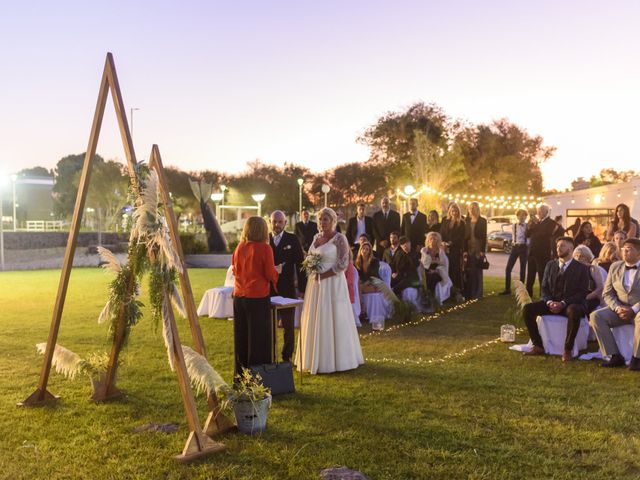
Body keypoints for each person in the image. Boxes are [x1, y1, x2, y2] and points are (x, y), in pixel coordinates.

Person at [295, 207, 364, 374]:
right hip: (315, 285)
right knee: (315, 316)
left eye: (325, 219)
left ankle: (337, 359)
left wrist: (323, 275)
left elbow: (343, 263)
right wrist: (311, 269)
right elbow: (310, 257)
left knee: (333, 317)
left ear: (333, 221)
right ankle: (313, 357)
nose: (322, 222)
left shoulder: (339, 239)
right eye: (320, 219)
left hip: (333, 284)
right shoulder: (315, 237)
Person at [522, 237, 590, 362]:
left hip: (571, 304)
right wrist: (549, 302)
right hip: (551, 303)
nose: (558, 248)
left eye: (562, 246)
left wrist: (563, 303)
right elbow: (544, 287)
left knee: (574, 311)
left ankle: (568, 349)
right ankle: (538, 346)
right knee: (527, 309)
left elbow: (582, 293)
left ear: (570, 249)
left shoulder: (582, 268)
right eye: (557, 246)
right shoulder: (550, 265)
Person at [232, 216, 281, 375]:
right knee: (258, 340)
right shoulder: (265, 248)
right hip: (257, 297)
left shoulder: (239, 247)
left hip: (239, 297)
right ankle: (257, 378)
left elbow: (235, 270)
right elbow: (269, 274)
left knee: (242, 338)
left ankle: (241, 377)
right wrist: (277, 271)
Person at [589, 238, 640, 369]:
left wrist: (633, 310)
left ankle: (637, 359)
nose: (624, 252)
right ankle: (614, 356)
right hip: (620, 309)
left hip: (637, 310)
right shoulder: (615, 267)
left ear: (639, 253)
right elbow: (607, 293)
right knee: (596, 316)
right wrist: (617, 308)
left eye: (629, 249)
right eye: (623, 249)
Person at [269, 210, 304, 363]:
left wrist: (302, 288)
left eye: (280, 222)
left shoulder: (292, 239)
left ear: (285, 223)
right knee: (269, 326)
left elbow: (300, 264)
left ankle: (287, 356)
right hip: (268, 289)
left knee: (289, 326)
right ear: (270, 222)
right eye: (274, 222)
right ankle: (270, 354)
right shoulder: (264, 239)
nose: (277, 225)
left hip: (288, 289)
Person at [525, 204, 557, 297]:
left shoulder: (551, 222)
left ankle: (543, 295)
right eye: (538, 211)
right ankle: (528, 295)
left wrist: (537, 224)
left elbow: (545, 234)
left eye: (541, 211)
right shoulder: (535, 223)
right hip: (532, 252)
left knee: (542, 276)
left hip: (542, 253)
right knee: (530, 276)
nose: (539, 213)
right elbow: (527, 234)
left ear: (546, 212)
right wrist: (531, 226)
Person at [440, 202, 466, 297]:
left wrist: (451, 243)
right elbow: (441, 232)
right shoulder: (444, 220)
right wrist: (442, 242)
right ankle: (446, 291)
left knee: (455, 269)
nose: (454, 213)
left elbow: (461, 237)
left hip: (455, 249)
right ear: (449, 211)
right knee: (446, 268)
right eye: (452, 211)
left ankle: (455, 290)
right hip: (444, 248)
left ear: (458, 212)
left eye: (455, 211)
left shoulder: (461, 223)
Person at [501, 209, 529, 295]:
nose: (521, 217)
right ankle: (507, 289)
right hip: (515, 247)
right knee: (508, 268)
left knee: (522, 269)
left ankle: (521, 290)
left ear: (525, 216)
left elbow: (529, 238)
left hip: (524, 247)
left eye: (523, 215)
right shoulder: (514, 226)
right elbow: (514, 236)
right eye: (519, 215)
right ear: (517, 216)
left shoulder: (528, 226)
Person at [464, 202, 487, 299]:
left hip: (478, 247)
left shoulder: (482, 220)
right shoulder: (467, 220)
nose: (472, 210)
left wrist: (482, 250)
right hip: (469, 247)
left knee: (478, 270)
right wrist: (465, 249)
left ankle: (478, 293)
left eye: (474, 208)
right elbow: (465, 237)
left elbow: (484, 236)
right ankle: (470, 293)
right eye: (471, 208)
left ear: (478, 209)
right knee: (469, 270)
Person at [355, 241, 382, 322]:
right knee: (358, 287)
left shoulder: (375, 261)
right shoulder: (358, 262)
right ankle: (363, 310)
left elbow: (373, 276)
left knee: (359, 289)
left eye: (367, 249)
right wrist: (360, 283)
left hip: (376, 283)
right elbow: (358, 276)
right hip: (364, 284)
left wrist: (363, 285)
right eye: (363, 249)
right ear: (360, 250)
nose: (365, 251)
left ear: (370, 251)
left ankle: (362, 311)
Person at [573, 245, 604, 313]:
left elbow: (600, 288)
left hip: (591, 298)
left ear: (587, 258)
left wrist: (586, 297)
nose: (578, 258)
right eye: (576, 255)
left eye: (581, 256)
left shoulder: (593, 269)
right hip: (576, 298)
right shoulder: (572, 270)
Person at [294, 209, 318, 293]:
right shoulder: (298, 225)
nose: (305, 215)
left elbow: (317, 236)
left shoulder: (314, 225)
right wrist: (301, 249)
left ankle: (312, 289)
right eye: (304, 214)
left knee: (312, 270)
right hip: (301, 251)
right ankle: (302, 291)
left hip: (312, 251)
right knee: (302, 271)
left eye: (307, 214)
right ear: (301, 215)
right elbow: (295, 238)